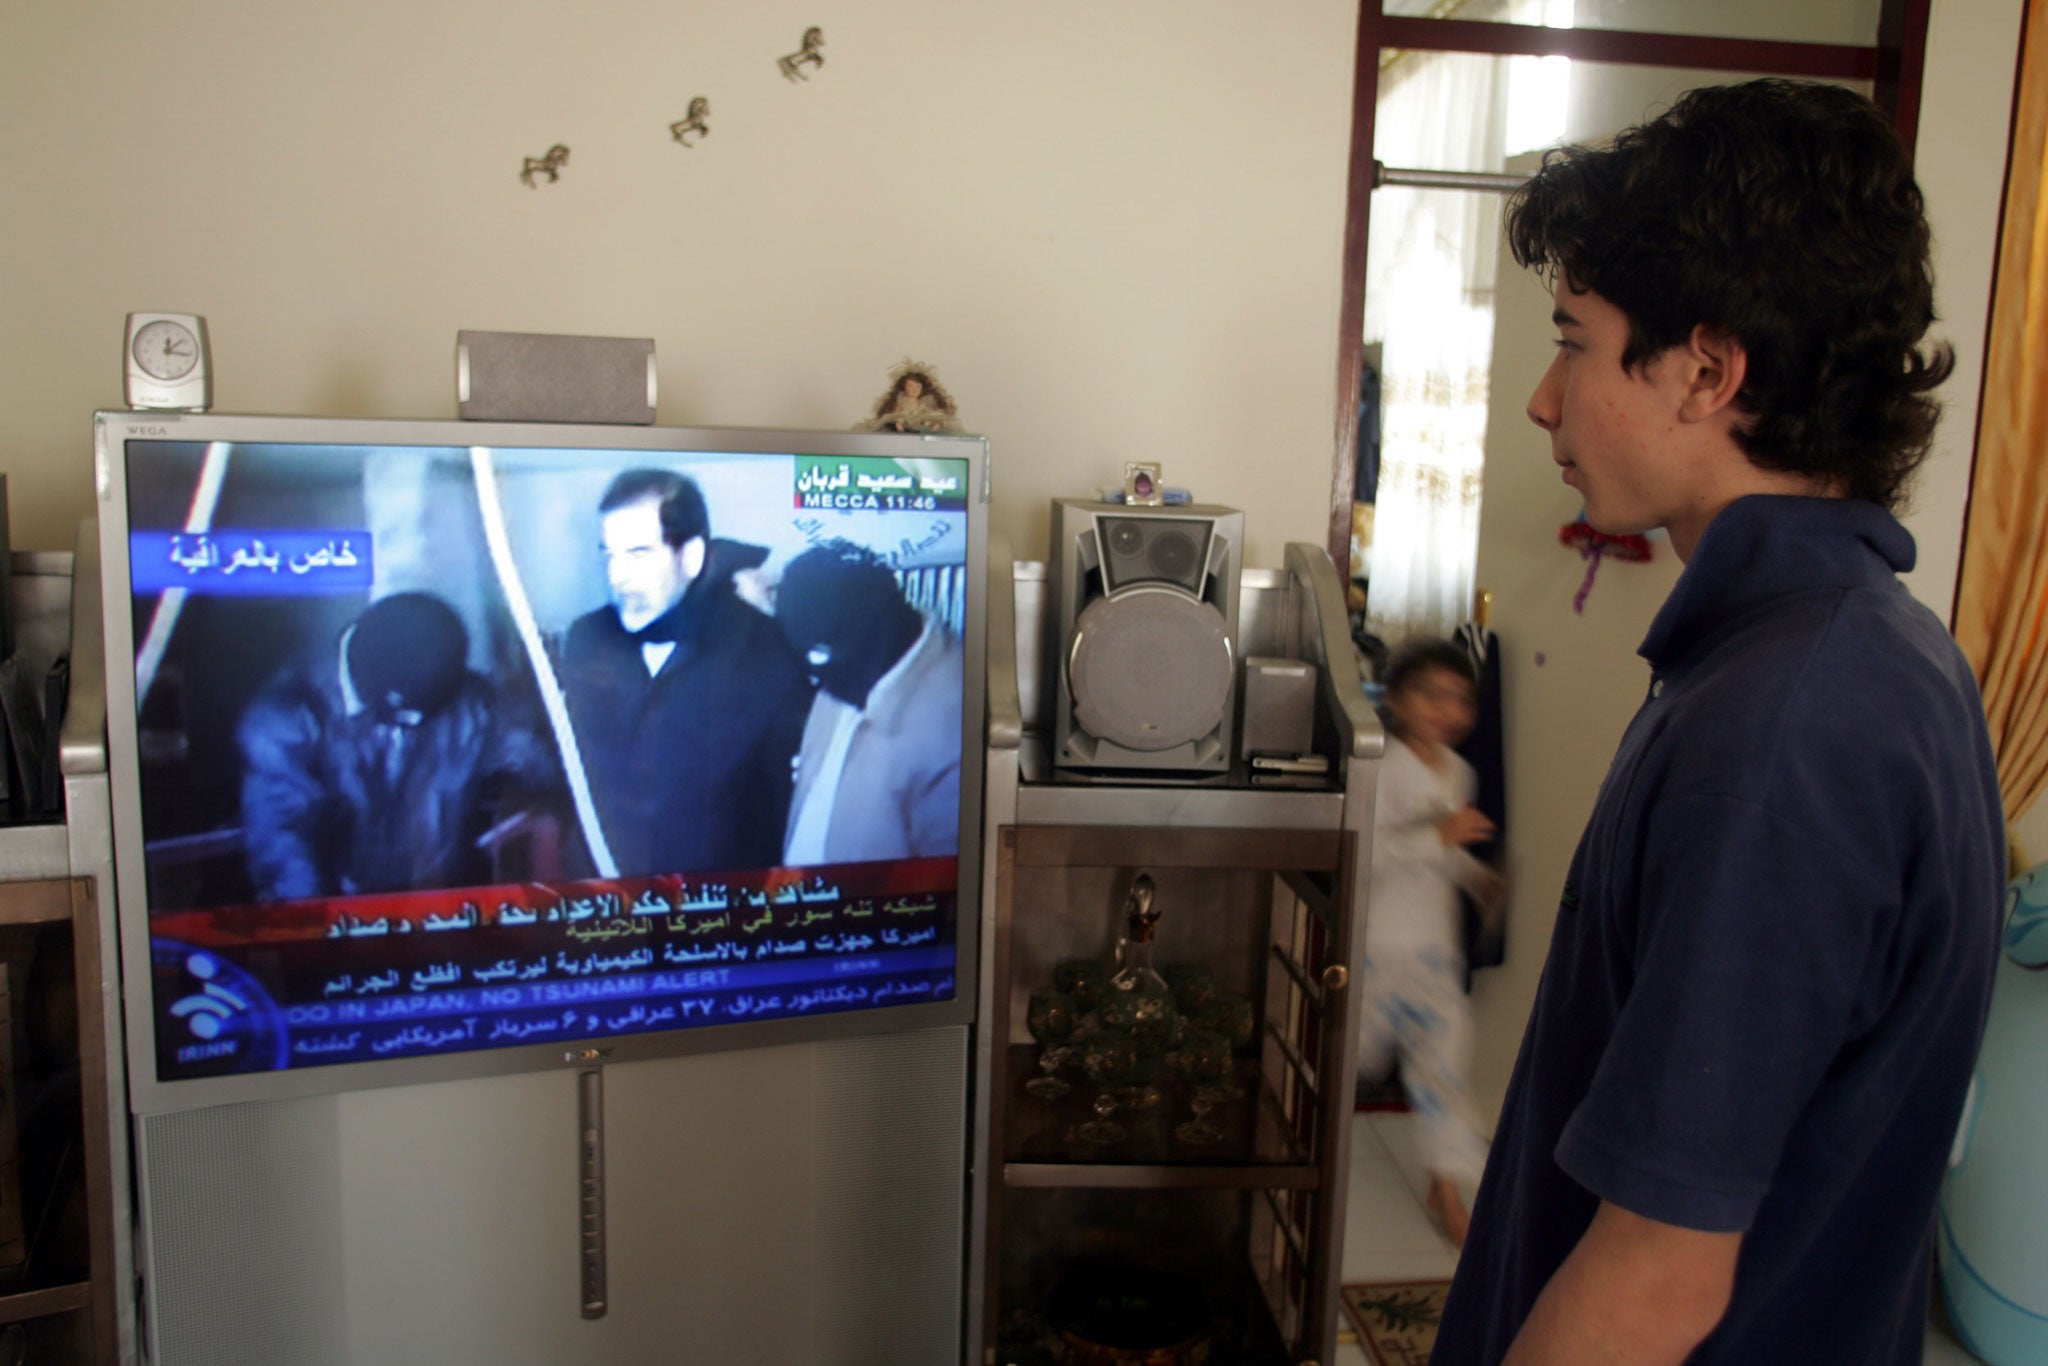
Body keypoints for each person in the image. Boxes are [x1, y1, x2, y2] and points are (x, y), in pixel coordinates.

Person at [1433, 80, 2005, 1363]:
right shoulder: (1854, 656)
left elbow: (1655, 1279)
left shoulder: (1793, 726)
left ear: (1706, 370)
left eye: (1572, 339)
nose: (1541, 398)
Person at [558, 468, 812, 878]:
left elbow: (787, 802)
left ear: (691, 556)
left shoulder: (767, 651)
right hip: (600, 905)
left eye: (639, 553)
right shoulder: (587, 639)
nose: (618, 576)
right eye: (610, 554)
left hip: (713, 911)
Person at [237, 592, 560, 899]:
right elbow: (284, 847)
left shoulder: (472, 703)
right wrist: (316, 934)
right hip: (343, 918)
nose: (416, 725)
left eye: (426, 712)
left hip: (446, 908)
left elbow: (545, 766)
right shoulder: (285, 718)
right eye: (403, 714)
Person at [1356, 637, 1501, 1250]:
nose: (1446, 709)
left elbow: (1444, 857)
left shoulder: (1460, 769)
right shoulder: (1382, 768)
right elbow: (1367, 859)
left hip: (1434, 954)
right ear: (1395, 700)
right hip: (1375, 951)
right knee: (1343, 1066)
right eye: (1430, 694)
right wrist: (1436, 838)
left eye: (1460, 698)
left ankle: (1447, 1191)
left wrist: (1477, 879)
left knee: (1442, 1072)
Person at [776, 540, 962, 864]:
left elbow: (945, 892)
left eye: (818, 654)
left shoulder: (955, 721)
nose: (814, 681)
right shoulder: (844, 664)